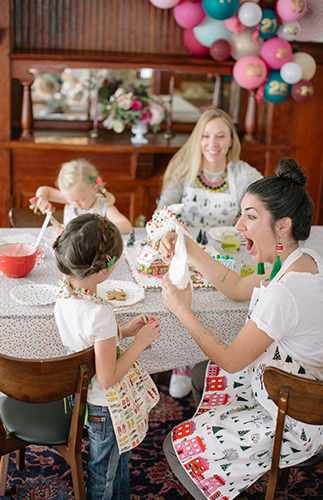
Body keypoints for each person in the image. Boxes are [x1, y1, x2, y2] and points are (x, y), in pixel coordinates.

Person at [160, 158, 323, 500]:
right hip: (291, 385)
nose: (238, 226)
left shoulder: (284, 292)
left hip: (298, 415)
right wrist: (186, 246)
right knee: (204, 375)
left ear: (282, 226)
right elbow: (234, 286)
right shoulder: (303, 262)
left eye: (250, 216)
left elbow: (232, 360)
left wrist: (182, 310)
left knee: (177, 448)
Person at [53, 213, 161, 500]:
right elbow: (109, 376)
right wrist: (140, 342)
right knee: (105, 472)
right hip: (105, 405)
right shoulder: (99, 312)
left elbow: (87, 339)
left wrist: (124, 331)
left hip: (83, 395)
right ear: (105, 268)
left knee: (117, 458)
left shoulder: (66, 291)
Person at [158, 108, 263, 397]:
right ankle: (182, 362)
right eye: (205, 136)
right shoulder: (184, 169)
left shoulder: (243, 173)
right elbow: (163, 212)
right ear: (197, 139)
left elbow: (265, 207)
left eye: (220, 135)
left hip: (231, 254)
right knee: (187, 301)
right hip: (187, 254)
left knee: (228, 305)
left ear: (231, 141)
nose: (212, 143)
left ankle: (209, 359)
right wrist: (168, 230)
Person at [34, 158, 132, 234]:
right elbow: (44, 190)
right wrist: (42, 198)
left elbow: (126, 226)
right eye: (72, 200)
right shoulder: (71, 199)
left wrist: (100, 230)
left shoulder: (104, 207)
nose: (76, 204)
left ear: (94, 188)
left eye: (81, 199)